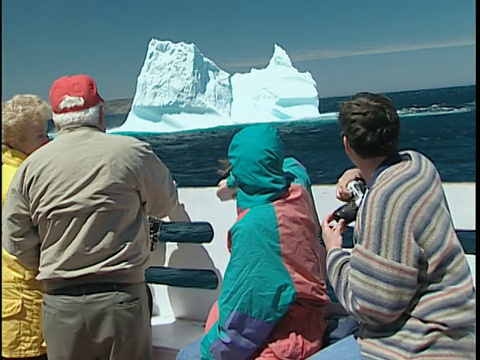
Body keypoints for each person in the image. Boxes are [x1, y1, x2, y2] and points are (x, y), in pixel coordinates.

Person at [2, 74, 190, 360]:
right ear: (101, 112)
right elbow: (164, 204)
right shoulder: (132, 152)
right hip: (122, 299)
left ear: (57, 119)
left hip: (60, 302)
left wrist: (56, 262)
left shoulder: (30, 168)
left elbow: (15, 239)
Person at [312, 92, 475, 359]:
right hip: (459, 323)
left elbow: (373, 308)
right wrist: (356, 175)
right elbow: (387, 180)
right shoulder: (419, 165)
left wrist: (334, 253)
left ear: (347, 144)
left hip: (423, 344)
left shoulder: (383, 201)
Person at [177, 124, 331, 360]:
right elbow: (291, 163)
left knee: (188, 356)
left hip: (281, 342)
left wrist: (209, 352)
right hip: (309, 321)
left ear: (240, 172)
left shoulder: (256, 229)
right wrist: (233, 182)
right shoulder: (298, 186)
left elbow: (242, 323)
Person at [2, 94, 50, 360]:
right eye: (41, 136)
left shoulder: (7, 172)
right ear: (17, 141)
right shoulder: (20, 182)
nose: (48, 141)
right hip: (23, 297)